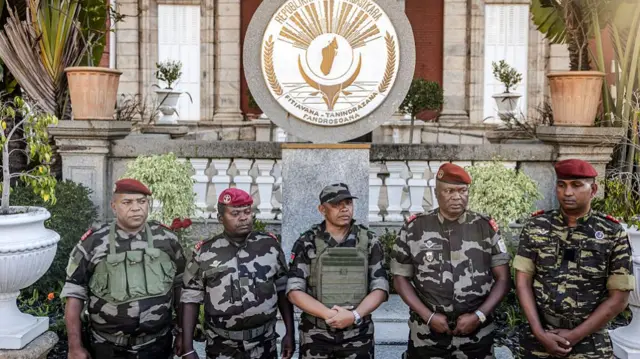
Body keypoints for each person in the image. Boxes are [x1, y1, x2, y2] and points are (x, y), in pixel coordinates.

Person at [514, 159, 635, 358]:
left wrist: (574, 336)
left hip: (589, 340)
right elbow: (522, 282)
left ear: (593, 189)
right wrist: (539, 332)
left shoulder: (611, 233)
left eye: (577, 185)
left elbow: (619, 298)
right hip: (539, 336)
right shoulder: (537, 226)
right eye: (562, 185)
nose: (567, 192)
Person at [391, 163, 511, 358]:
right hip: (427, 334)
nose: (457, 197)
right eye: (449, 191)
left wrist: (479, 316)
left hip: (477, 333)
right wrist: (428, 316)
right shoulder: (415, 228)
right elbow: (400, 277)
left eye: (462, 190)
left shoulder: (485, 227)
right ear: (436, 193)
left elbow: (504, 279)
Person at [61, 178, 186, 359]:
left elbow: (181, 287)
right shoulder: (93, 243)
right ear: (114, 206)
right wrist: (74, 346)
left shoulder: (167, 240)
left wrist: (183, 334)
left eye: (142, 202)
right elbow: (74, 294)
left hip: (157, 346)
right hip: (107, 348)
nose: (136, 208)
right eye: (127, 202)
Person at [180, 188, 295, 359]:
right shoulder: (204, 252)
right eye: (235, 213)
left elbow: (282, 290)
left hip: (264, 343)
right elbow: (190, 298)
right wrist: (188, 347)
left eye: (247, 212)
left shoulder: (269, 246)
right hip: (222, 347)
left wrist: (290, 333)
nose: (243, 217)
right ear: (220, 218)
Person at [287, 183, 389, 359]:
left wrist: (354, 315)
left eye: (348, 203)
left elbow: (380, 287)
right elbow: (294, 291)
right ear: (322, 209)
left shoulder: (369, 241)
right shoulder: (307, 242)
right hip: (316, 335)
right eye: (336, 204)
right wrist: (331, 316)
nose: (344, 209)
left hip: (358, 334)